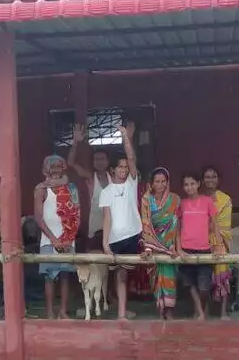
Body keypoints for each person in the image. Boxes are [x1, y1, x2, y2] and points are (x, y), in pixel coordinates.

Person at [97, 121, 141, 320]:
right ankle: (121, 314)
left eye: (126, 166)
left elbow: (131, 157)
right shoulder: (106, 192)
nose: (124, 169)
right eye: (120, 167)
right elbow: (107, 218)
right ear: (113, 170)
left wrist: (125, 136)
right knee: (119, 276)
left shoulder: (132, 183)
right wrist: (105, 243)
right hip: (115, 240)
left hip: (133, 235)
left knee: (125, 275)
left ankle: (123, 311)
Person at [34, 154, 81, 319]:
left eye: (58, 167)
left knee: (65, 276)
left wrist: (69, 237)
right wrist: (53, 239)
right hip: (49, 240)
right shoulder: (41, 189)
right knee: (49, 276)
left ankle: (63, 311)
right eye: (51, 167)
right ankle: (49, 312)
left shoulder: (72, 188)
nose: (55, 171)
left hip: (68, 239)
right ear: (45, 170)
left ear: (63, 169)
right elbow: (38, 218)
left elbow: (77, 213)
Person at [176, 171, 220, 320]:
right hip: (186, 249)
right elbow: (177, 228)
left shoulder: (207, 201)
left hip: (204, 249)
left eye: (192, 184)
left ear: (198, 184)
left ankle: (200, 309)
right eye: (186, 185)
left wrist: (218, 245)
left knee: (204, 287)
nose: (189, 187)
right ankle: (200, 312)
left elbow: (215, 224)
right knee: (190, 283)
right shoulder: (181, 204)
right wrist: (179, 248)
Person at [140, 167, 181, 319]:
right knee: (156, 279)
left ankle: (169, 310)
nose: (160, 184)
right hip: (152, 245)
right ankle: (160, 308)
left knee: (169, 277)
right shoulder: (146, 199)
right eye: (157, 181)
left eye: (163, 181)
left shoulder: (175, 199)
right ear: (151, 183)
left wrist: (175, 247)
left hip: (170, 247)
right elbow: (145, 223)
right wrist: (149, 247)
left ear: (167, 182)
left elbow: (176, 225)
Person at [68, 123, 113, 252]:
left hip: (113, 228)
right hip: (94, 229)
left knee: (114, 264)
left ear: (108, 161)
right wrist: (75, 142)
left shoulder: (114, 177)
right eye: (96, 159)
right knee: (96, 262)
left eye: (102, 159)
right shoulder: (90, 177)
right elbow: (71, 163)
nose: (99, 161)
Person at [202, 166, 233, 318]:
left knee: (223, 277)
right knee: (204, 277)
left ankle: (223, 313)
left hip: (220, 243)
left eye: (213, 176)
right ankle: (204, 311)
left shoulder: (226, 199)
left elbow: (225, 225)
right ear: (202, 180)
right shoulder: (198, 198)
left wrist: (210, 228)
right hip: (201, 243)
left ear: (218, 179)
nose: (210, 180)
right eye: (207, 177)